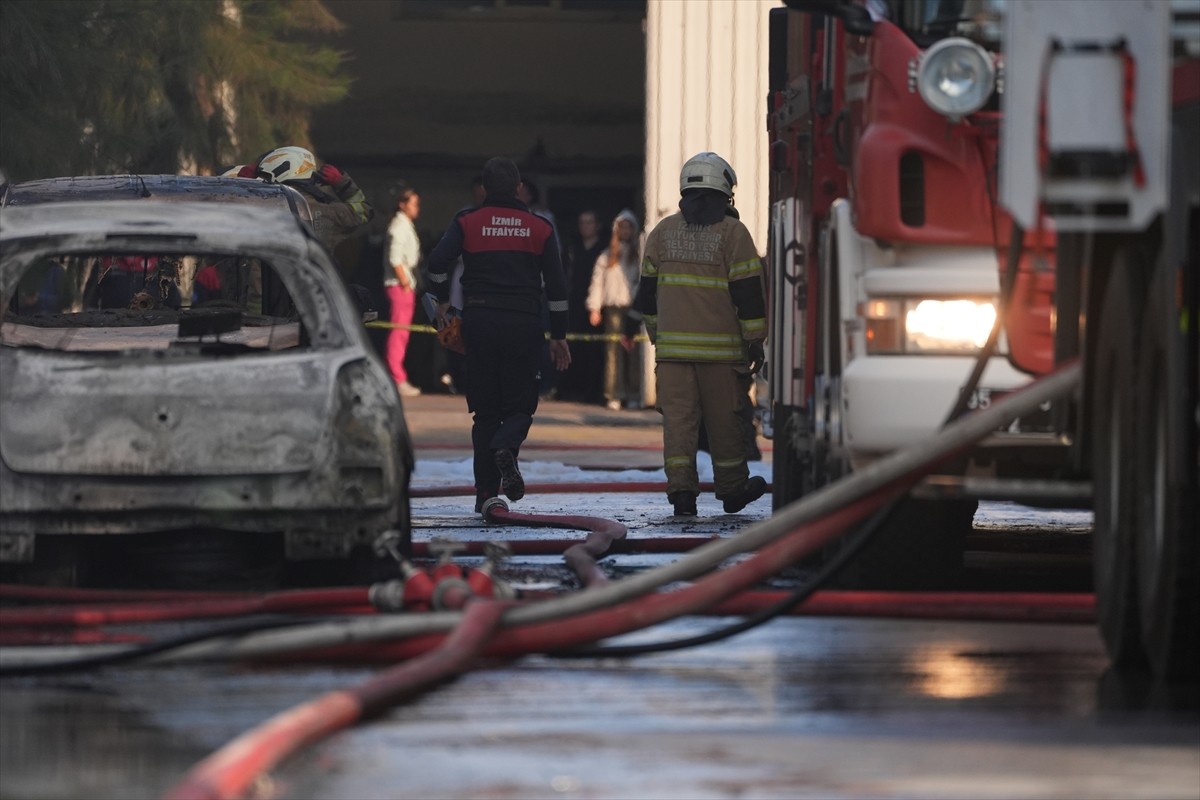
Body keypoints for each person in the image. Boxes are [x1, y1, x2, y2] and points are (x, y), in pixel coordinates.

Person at [425, 157, 571, 514]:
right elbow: (556, 285)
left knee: (485, 413)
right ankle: (507, 444)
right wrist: (559, 335)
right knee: (520, 406)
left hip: (479, 322)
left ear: (485, 189)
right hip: (523, 324)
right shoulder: (540, 228)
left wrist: (442, 302)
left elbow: (436, 264)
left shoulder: (467, 222)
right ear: (520, 189)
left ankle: (485, 495)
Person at [630, 152, 768, 517]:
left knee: (679, 426)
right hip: (722, 358)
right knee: (726, 423)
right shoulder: (734, 234)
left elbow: (647, 295)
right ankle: (733, 490)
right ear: (725, 193)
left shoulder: (662, 233)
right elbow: (749, 294)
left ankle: (682, 494)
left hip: (673, 356)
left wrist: (661, 338)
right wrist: (755, 341)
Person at [586, 208, 643, 410]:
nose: (625, 231)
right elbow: (597, 282)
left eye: (629, 228)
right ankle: (614, 394)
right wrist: (595, 307)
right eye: (622, 228)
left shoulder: (639, 256)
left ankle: (635, 393)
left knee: (634, 352)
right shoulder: (607, 256)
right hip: (612, 309)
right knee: (613, 353)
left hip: (633, 309)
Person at [558, 209, 607, 403]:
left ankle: (594, 391)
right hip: (574, 303)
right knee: (573, 347)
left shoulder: (604, 249)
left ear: (597, 225)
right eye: (582, 222)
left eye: (589, 222)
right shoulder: (572, 248)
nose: (585, 226)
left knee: (594, 351)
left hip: (596, 305)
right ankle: (570, 389)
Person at [384, 185, 423, 397]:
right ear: (402, 204)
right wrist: (405, 283)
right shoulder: (398, 226)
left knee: (402, 333)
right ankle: (396, 377)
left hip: (405, 284)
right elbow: (395, 258)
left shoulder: (405, 225)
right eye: (414, 204)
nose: (417, 208)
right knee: (398, 333)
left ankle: (397, 375)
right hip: (400, 286)